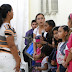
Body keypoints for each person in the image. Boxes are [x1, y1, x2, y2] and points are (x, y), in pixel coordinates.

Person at [0, 4, 21, 72]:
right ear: (8, 13)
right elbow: (11, 45)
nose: (13, 12)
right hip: (8, 58)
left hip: (3, 57)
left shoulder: (2, 26)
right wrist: (18, 60)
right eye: (12, 10)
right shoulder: (7, 27)